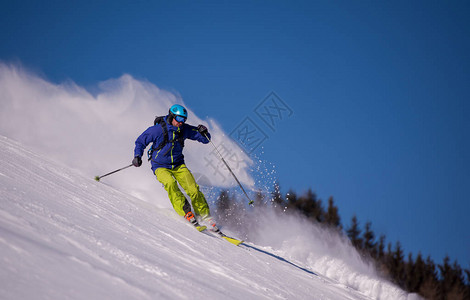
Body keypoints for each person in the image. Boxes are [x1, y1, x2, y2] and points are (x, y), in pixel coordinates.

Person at [132, 104, 219, 233]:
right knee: (170, 183)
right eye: (179, 118)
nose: (181, 122)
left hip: (178, 165)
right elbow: (140, 141)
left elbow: (205, 140)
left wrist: (204, 132)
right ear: (172, 116)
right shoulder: (157, 130)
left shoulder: (184, 129)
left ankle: (204, 216)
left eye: (184, 120)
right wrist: (137, 156)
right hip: (160, 166)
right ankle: (186, 212)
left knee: (193, 189)